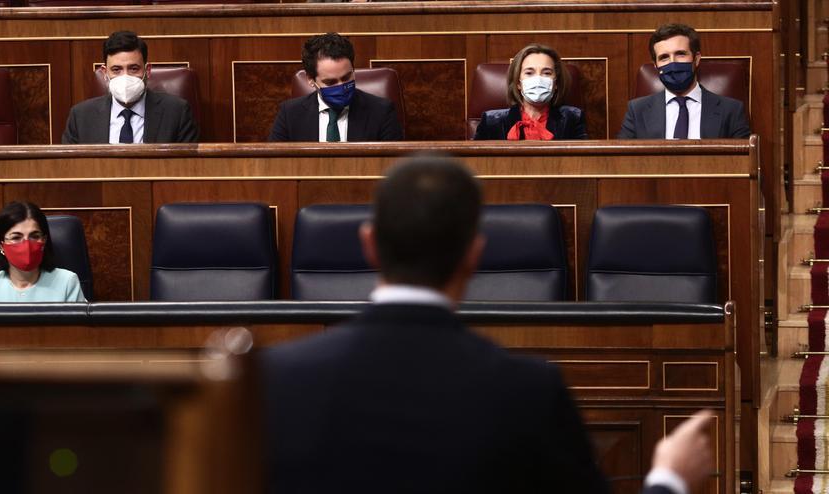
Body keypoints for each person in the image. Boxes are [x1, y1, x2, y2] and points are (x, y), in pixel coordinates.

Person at [259, 154, 713, 494]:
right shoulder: (529, 390)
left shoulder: (274, 379)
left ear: (369, 244)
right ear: (475, 254)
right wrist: (669, 479)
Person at [62, 31, 199, 144]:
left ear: (148, 71)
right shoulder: (80, 116)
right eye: (116, 69)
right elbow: (70, 169)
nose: (125, 76)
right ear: (105, 73)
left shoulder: (177, 112)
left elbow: (186, 169)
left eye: (134, 68)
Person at [617, 23, 750, 139]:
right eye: (664, 57)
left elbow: (743, 162)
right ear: (656, 65)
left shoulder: (731, 110)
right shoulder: (636, 111)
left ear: (696, 59)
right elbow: (622, 162)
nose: (673, 63)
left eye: (680, 54)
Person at [268, 32, 403, 142]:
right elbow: (275, 167)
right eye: (330, 82)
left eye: (346, 78)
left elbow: (393, 169)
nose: (341, 86)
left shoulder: (381, 112)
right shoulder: (290, 114)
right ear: (310, 79)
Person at [0, 201, 85, 303]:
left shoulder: (67, 282)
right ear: (1, 245)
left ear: (44, 240)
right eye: (16, 237)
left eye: (35, 236)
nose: (26, 244)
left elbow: (80, 331)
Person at [474, 43, 588, 140]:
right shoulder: (491, 121)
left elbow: (581, 162)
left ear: (556, 83)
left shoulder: (573, 118)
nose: (538, 79)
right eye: (529, 73)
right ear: (518, 83)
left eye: (547, 73)